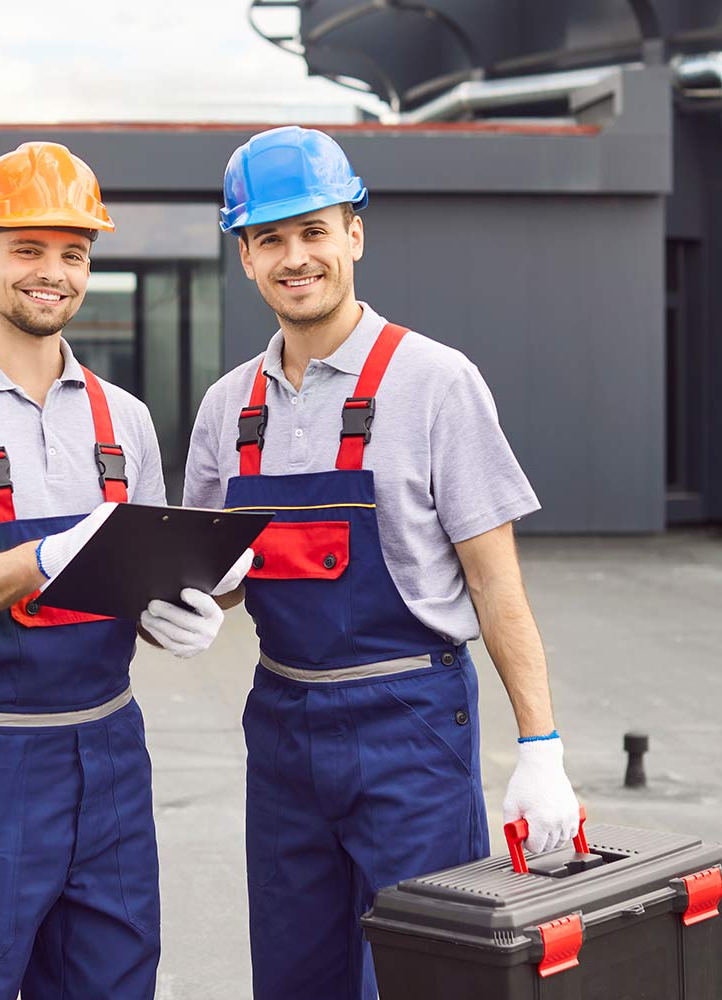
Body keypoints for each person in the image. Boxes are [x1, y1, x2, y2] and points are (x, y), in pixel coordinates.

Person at [183, 125, 580, 1000]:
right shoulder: (227, 409)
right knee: (294, 976)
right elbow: (227, 572)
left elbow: (494, 579)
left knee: (423, 977)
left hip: (411, 726)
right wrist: (191, 600)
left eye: (314, 231)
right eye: (271, 240)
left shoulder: (436, 383)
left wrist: (540, 745)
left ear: (354, 234)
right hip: (282, 726)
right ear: (245, 256)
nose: (296, 257)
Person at [0, 141, 250, 999]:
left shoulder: (127, 420)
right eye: (27, 248)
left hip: (109, 753)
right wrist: (39, 559)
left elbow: (136, 585)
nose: (53, 272)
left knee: (113, 983)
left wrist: (193, 604)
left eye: (72, 253)